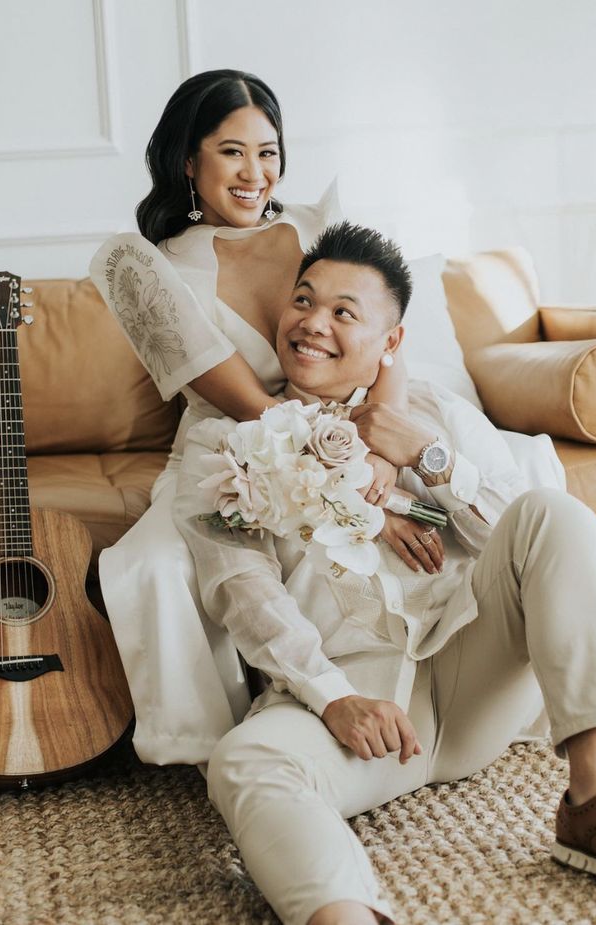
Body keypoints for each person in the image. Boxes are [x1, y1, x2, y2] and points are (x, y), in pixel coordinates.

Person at [172, 221, 596, 925]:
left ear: (390, 343)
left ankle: (595, 803)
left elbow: (519, 537)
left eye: (343, 312)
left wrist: (429, 457)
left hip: (471, 669)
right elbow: (241, 589)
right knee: (243, 761)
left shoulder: (435, 412)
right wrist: (332, 698)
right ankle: (343, 915)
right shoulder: (223, 440)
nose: (312, 324)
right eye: (303, 301)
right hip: (359, 710)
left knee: (556, 514)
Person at [89, 70, 408, 765]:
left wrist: (382, 446)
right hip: (234, 445)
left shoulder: (319, 226)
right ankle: (217, 746)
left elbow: (387, 336)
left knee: (460, 500)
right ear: (187, 159)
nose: (254, 172)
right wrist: (337, 477)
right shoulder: (149, 265)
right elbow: (253, 407)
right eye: (231, 151)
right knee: (152, 565)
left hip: (353, 429)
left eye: (267, 151)